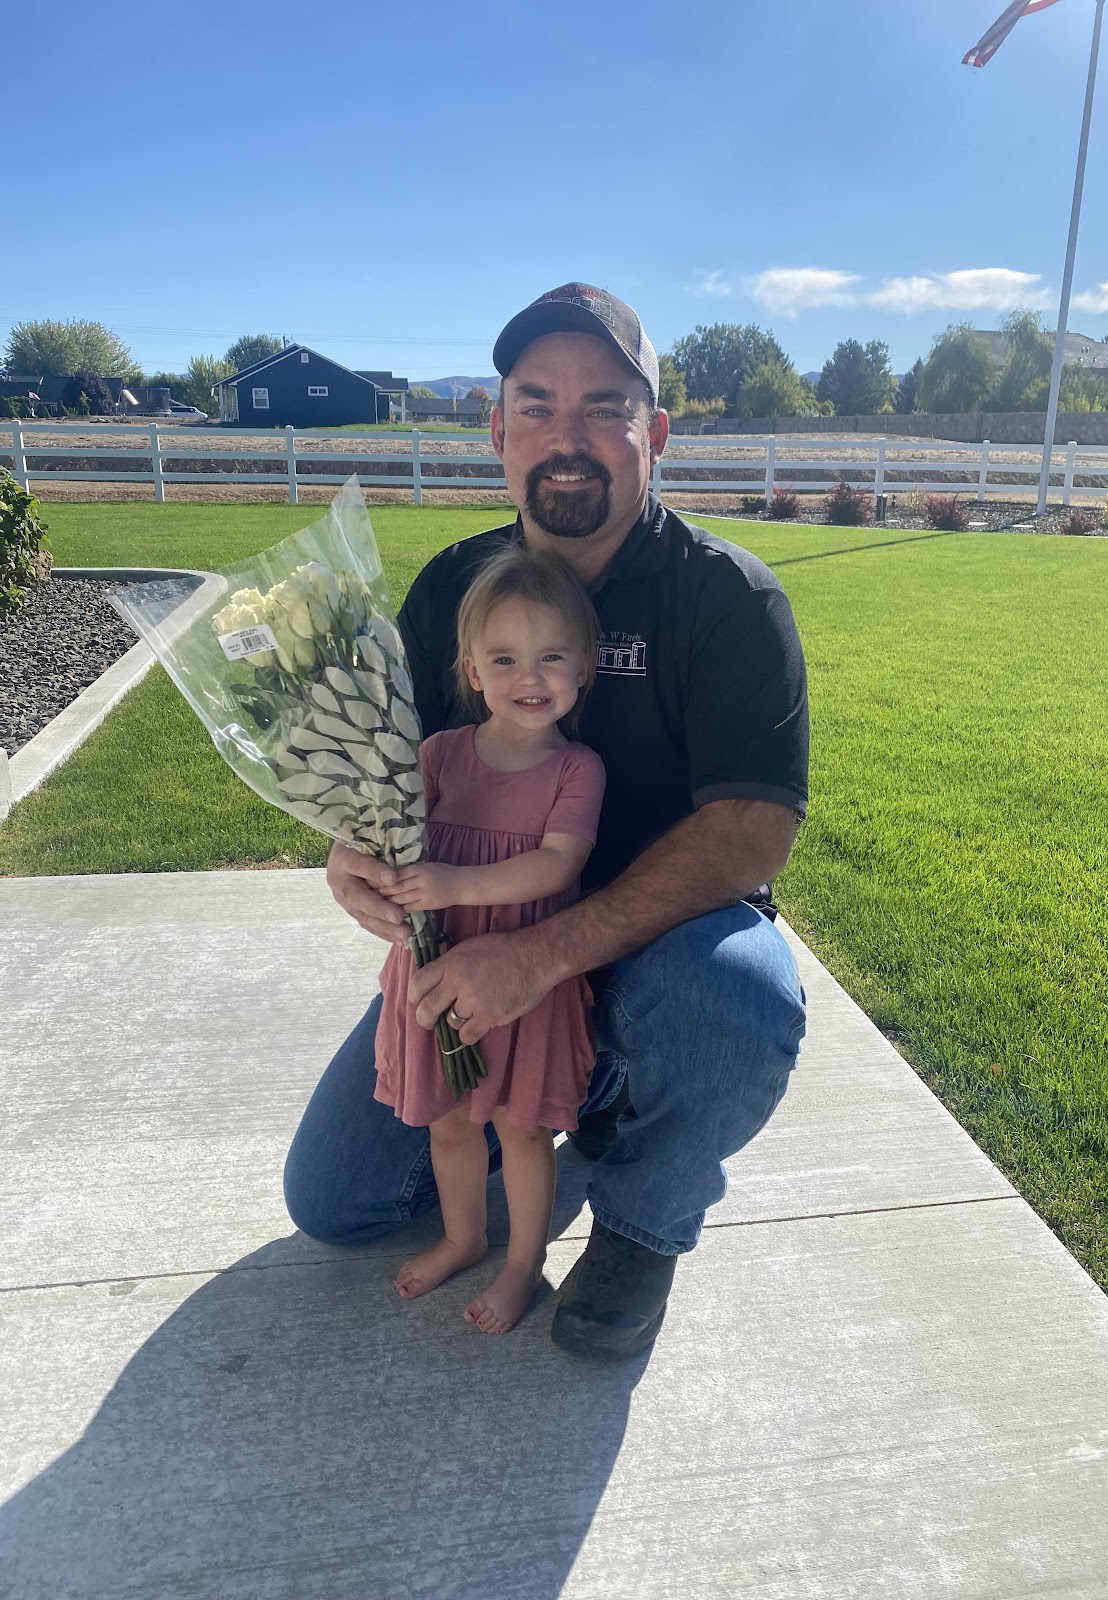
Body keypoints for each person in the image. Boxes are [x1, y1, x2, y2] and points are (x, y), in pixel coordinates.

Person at [284, 282, 810, 1360]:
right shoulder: (454, 586)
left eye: (604, 407)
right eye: (537, 406)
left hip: (659, 951)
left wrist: (543, 958)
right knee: (336, 1201)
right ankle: (577, 1092)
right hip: (477, 946)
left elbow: (754, 831)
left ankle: (639, 1221)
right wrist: (349, 848)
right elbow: (389, 769)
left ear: (656, 433)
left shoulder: (727, 599)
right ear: (497, 431)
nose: (568, 439)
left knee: (741, 993)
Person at [373, 545, 605, 1336]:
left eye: (551, 658)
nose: (528, 677)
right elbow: (390, 827)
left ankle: (522, 1263)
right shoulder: (439, 755)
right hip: (437, 969)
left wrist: (451, 885)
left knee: (522, 1126)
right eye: (503, 658)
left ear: (583, 668)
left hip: (522, 980)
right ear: (471, 670)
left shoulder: (576, 769)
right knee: (449, 1120)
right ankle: (464, 1236)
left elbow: (557, 864)